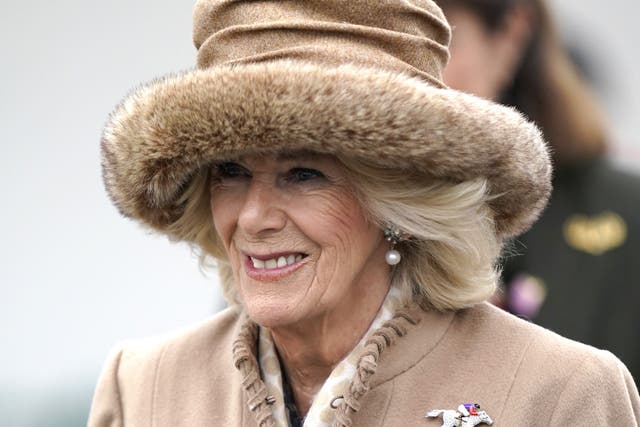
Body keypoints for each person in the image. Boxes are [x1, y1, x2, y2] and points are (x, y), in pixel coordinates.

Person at [88, 0, 640, 425]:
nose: (253, 216)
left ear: (400, 199)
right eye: (229, 172)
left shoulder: (560, 392)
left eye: (303, 174)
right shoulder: (142, 389)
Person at [436, 0, 640, 386]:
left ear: (511, 34)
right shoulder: (333, 213)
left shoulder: (627, 213)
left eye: (439, 35)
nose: (410, 64)